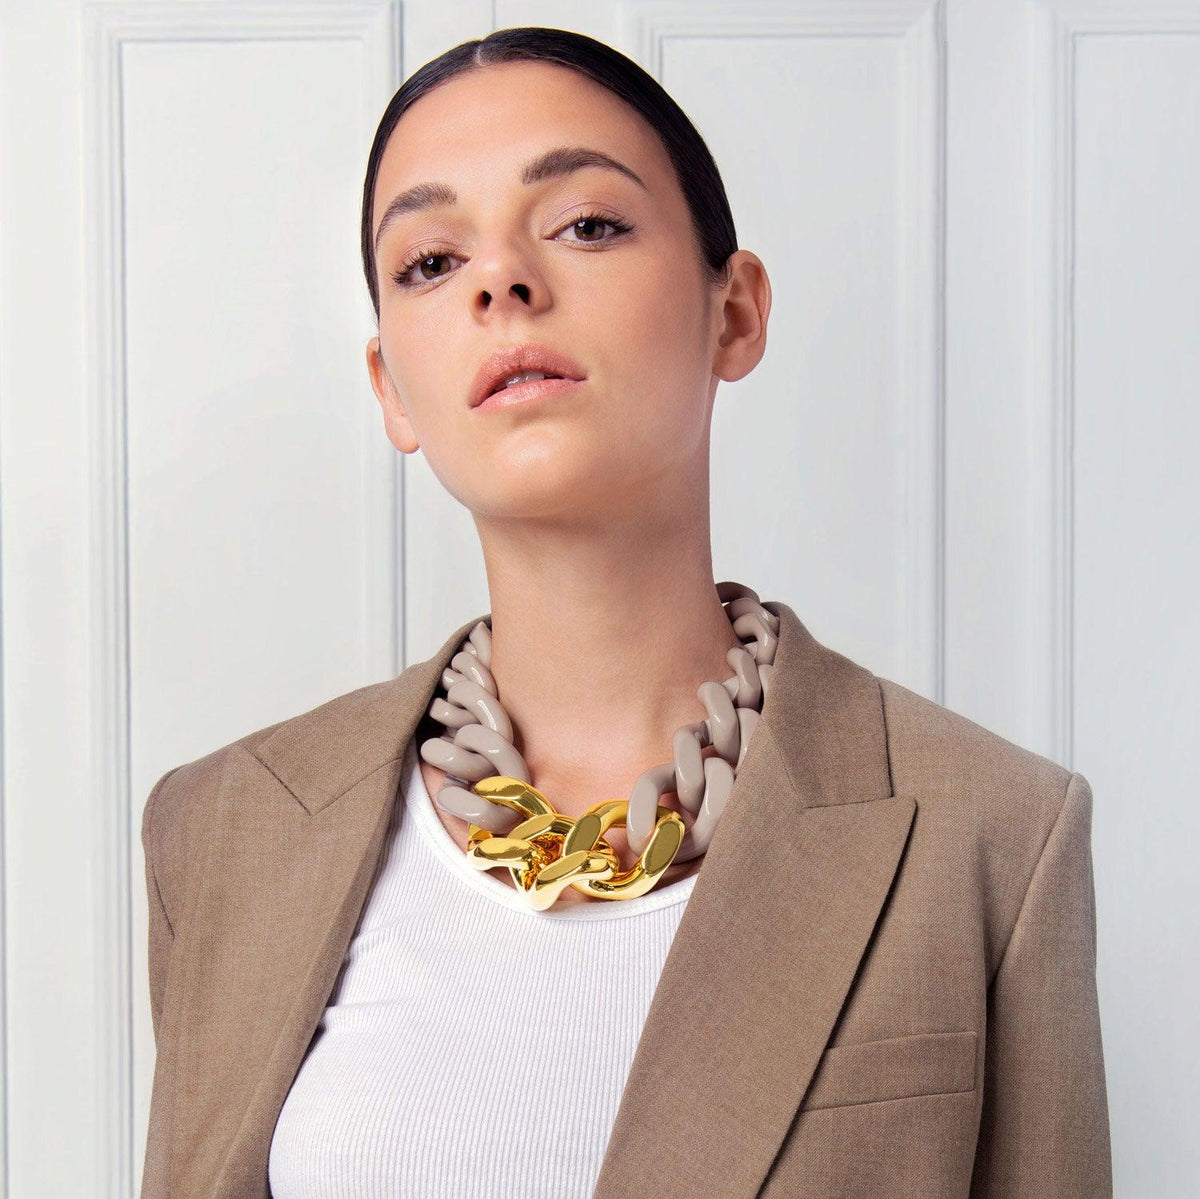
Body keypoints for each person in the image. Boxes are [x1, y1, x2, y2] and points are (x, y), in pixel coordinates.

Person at [138, 26, 1112, 1199]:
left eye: (587, 224)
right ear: (393, 385)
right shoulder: (225, 829)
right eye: (432, 260)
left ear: (734, 313)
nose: (502, 281)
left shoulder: (991, 831)